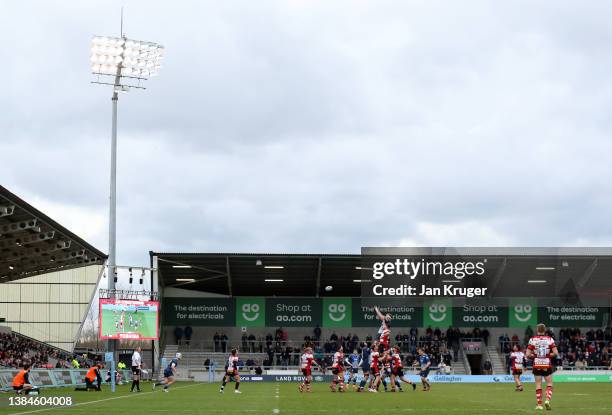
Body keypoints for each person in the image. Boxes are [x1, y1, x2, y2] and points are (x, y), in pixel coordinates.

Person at [526, 323, 559, 411]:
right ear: (544, 330)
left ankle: (539, 405)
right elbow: (556, 353)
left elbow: (527, 354)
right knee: (549, 383)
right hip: (546, 364)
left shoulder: (532, 339)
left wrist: (536, 355)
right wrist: (547, 355)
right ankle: (547, 400)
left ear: (537, 330)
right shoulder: (550, 339)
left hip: (537, 363)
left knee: (538, 384)